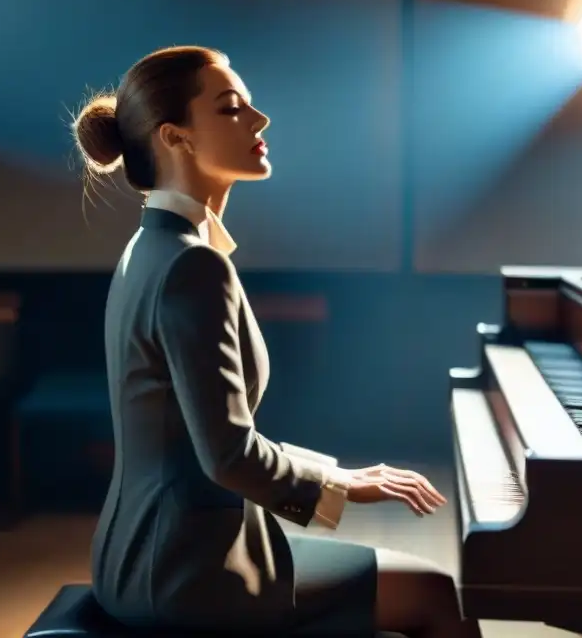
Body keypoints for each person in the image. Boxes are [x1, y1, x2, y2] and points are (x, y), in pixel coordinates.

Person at [71, 46, 482, 638]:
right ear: (175, 137)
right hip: (189, 572)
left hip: (140, 553)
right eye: (232, 108)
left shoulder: (152, 247)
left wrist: (339, 472)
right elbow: (229, 455)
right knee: (437, 595)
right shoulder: (192, 267)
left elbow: (209, 437)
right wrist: (345, 485)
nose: (259, 121)